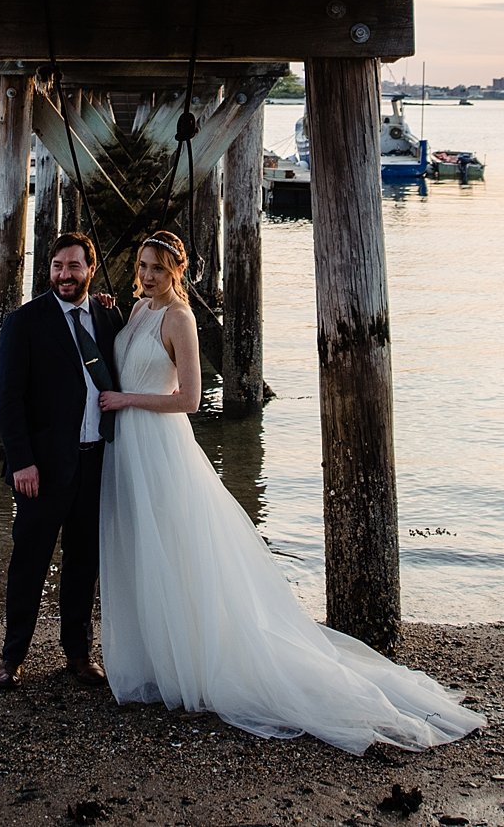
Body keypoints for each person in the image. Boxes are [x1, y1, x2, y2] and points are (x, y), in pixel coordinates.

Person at [96, 230, 483, 754]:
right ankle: (157, 660)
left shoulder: (179, 319)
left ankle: (194, 667)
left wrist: (125, 399)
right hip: (129, 448)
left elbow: (188, 399)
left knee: (177, 553)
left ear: (177, 273)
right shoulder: (137, 310)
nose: (146, 275)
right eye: (142, 265)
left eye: (158, 269)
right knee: (145, 551)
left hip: (160, 446)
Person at [0, 229, 125, 688]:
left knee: (83, 564)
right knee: (29, 562)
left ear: (90, 269)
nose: (64, 275)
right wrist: (22, 460)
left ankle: (78, 655)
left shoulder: (107, 319)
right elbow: (7, 399)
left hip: (94, 463)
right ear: (49, 270)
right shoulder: (25, 322)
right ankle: (12, 658)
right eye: (57, 266)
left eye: (74, 266)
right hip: (41, 469)